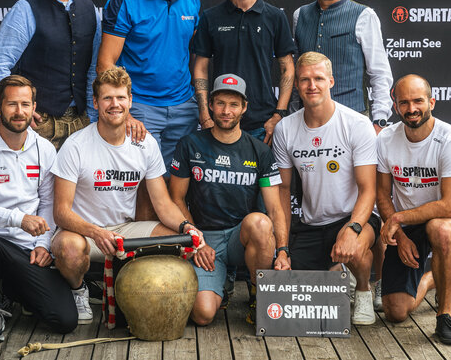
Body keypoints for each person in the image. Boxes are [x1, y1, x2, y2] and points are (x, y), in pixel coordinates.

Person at [50, 66, 202, 324]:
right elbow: (61, 212)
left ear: (130, 101)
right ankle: (78, 290)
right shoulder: (75, 145)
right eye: (107, 98)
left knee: (177, 241)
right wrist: (96, 232)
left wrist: (187, 227)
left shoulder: (145, 143)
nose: (115, 104)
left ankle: (145, 295)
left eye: (121, 98)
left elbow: (163, 203)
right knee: (69, 250)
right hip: (84, 233)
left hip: (124, 231)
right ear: (96, 102)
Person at [0, 75, 76, 343]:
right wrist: (18, 219)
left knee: (65, 320)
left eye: (25, 104)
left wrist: (44, 244)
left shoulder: (44, 149)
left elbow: (48, 203)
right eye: (11, 104)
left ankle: (13, 290)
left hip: (28, 250)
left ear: (34, 108)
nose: (19, 111)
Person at [169, 74, 291, 326]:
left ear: (244, 108)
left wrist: (282, 251)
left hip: (240, 238)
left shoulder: (260, 151)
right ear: (211, 105)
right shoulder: (190, 145)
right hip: (205, 239)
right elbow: (177, 199)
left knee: (260, 222)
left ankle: (259, 295)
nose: (226, 111)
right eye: (221, 103)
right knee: (203, 315)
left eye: (234, 104)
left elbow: (275, 208)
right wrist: (196, 242)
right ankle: (222, 282)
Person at [273, 51, 379, 325]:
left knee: (354, 249)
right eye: (305, 80)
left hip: (350, 217)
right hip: (309, 224)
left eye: (319, 78)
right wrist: (282, 247)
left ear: (331, 81)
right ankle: (338, 270)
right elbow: (283, 190)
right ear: (296, 84)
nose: (312, 86)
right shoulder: (285, 129)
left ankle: (364, 290)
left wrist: (353, 229)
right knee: (294, 295)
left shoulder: (357, 124)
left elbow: (368, 189)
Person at [376, 74, 451, 345]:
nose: (411, 108)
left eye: (418, 101)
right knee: (395, 312)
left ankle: (445, 315)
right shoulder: (385, 139)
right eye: (403, 102)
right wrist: (401, 234)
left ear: (431, 101)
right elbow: (382, 194)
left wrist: (397, 218)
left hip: (448, 219)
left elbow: (450, 205)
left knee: (439, 228)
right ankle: (433, 280)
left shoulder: (450, 138)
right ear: (395, 106)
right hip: (407, 225)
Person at [97, 0, 200, 169]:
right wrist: (127, 112)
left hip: (183, 107)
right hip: (141, 108)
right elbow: (105, 63)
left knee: (177, 183)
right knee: (142, 184)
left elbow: (193, 52)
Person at [0, 0, 101, 149]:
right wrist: (18, 111)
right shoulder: (25, 9)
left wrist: (93, 118)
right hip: (40, 125)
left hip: (81, 124)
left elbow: (94, 67)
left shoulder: (90, 9)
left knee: (78, 184)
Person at [192, 0, 296, 145]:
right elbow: (201, 68)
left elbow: (288, 68)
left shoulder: (275, 17)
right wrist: (205, 116)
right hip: (221, 121)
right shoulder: (210, 17)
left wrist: (278, 115)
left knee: (265, 179)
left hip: (263, 123)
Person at [292, 0, 393, 134]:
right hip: (307, 123)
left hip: (353, 121)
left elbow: (380, 74)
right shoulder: (300, 15)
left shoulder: (364, 15)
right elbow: (295, 74)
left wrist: (380, 120)